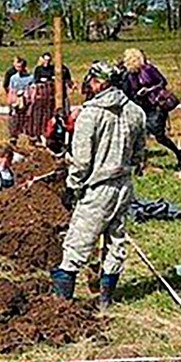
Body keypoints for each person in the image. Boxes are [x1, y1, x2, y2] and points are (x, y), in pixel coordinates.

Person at [53, 61, 145, 309]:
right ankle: (106, 300)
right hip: (124, 185)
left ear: (99, 83)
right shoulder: (136, 112)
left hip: (98, 188)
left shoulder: (90, 115)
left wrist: (72, 186)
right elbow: (139, 154)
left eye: (91, 80)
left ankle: (61, 305)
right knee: (116, 241)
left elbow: (82, 161)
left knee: (77, 244)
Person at [121, 47, 181, 170]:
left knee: (159, 136)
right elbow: (129, 93)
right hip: (142, 108)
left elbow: (162, 82)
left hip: (156, 106)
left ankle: (179, 154)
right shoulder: (129, 75)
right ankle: (139, 165)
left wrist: (149, 90)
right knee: (137, 134)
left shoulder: (148, 69)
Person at [5, 57, 34, 145]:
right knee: (14, 120)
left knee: (27, 119)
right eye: (17, 67)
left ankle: (29, 138)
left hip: (26, 101)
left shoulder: (30, 78)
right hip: (16, 101)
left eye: (20, 67)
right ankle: (13, 137)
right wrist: (12, 102)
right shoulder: (13, 78)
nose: (19, 69)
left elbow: (32, 89)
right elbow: (11, 90)